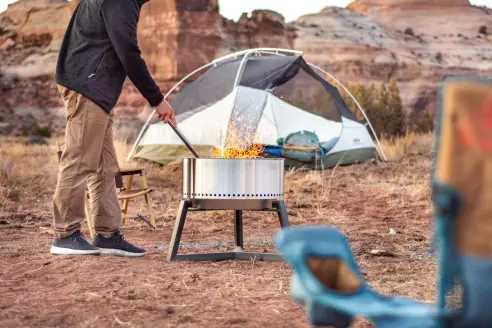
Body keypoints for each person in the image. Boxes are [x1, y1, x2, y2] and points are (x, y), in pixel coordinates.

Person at [50, 0, 176, 257]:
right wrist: (157, 99)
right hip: (87, 86)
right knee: (80, 159)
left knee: (105, 166)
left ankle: (107, 234)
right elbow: (128, 53)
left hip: (96, 90)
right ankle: (65, 234)